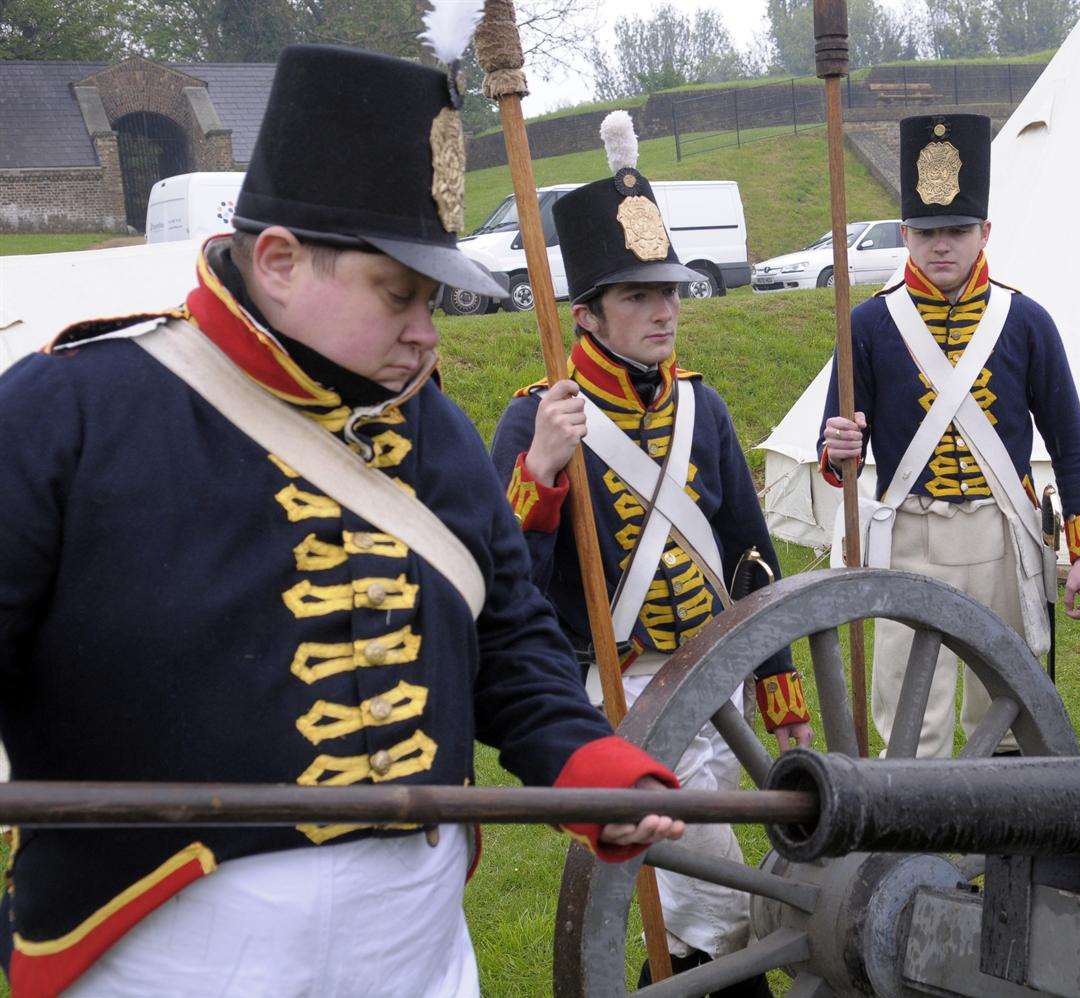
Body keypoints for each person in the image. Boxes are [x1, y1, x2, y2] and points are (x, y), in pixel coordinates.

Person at [0, 45, 684, 998]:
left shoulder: (435, 429)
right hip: (160, 951)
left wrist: (587, 759)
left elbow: (511, 640)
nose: (427, 333)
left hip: (417, 940)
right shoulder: (68, 411)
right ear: (278, 260)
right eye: (399, 295)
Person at [491, 112, 811, 993]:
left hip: (714, 677)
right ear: (588, 312)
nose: (664, 310)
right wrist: (541, 471)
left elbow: (750, 553)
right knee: (709, 885)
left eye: (667, 291)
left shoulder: (701, 410)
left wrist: (778, 683)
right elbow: (499, 575)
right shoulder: (536, 416)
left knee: (704, 887)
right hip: (615, 681)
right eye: (638, 296)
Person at [819, 113, 1080, 760]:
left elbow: (1068, 439)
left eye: (955, 230)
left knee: (1005, 714)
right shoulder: (868, 326)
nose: (941, 246)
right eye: (926, 233)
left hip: (999, 534)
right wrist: (839, 449)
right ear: (905, 234)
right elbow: (839, 449)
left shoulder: (1026, 321)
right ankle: (912, 861)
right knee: (909, 726)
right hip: (911, 535)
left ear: (984, 231)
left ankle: (1002, 858)